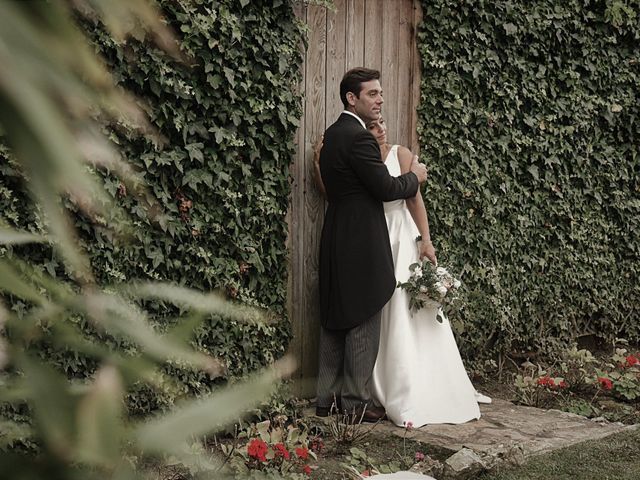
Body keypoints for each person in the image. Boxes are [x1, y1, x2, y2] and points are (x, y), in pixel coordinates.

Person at [314, 116, 490, 427]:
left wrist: (426, 239)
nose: (380, 128)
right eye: (373, 125)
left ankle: (394, 385)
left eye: (382, 123)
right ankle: (366, 392)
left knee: (396, 311)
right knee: (369, 313)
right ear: (363, 133)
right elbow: (344, 191)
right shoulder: (360, 153)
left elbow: (413, 199)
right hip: (369, 238)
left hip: (397, 237)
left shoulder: (401, 154)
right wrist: (318, 167)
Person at [315, 68, 429, 423]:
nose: (380, 100)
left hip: (335, 232)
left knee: (336, 316)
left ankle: (325, 400)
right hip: (362, 237)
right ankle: (354, 404)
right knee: (364, 313)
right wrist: (415, 177)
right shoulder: (359, 138)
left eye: (380, 93)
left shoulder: (333, 135)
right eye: (372, 94)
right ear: (352, 98)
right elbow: (387, 189)